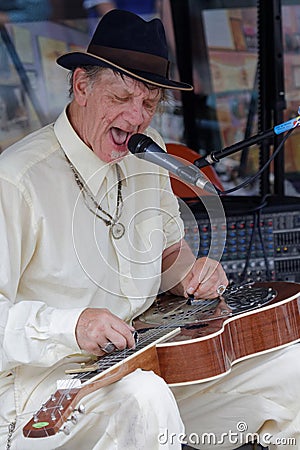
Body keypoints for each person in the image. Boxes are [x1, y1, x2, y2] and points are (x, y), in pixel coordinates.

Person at [0, 9, 299, 450]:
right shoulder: (17, 180)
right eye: (121, 98)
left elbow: (165, 255)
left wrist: (190, 273)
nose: (137, 118)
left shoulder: (150, 152)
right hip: (42, 390)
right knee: (143, 398)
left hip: (146, 362)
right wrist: (72, 326)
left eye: (149, 103)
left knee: (290, 370)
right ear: (81, 86)